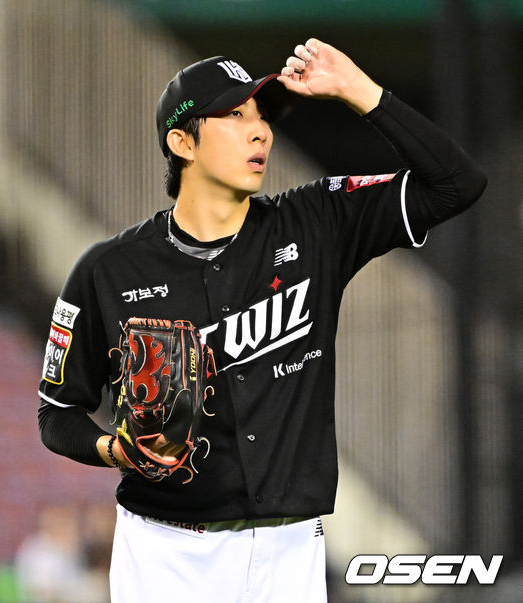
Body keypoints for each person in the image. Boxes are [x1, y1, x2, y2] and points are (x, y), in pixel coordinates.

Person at [38, 38, 487, 602]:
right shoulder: (107, 271)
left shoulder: (316, 222)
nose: (260, 132)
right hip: (165, 554)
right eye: (234, 116)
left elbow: (457, 183)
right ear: (182, 142)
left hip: (290, 550)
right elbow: (56, 415)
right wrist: (115, 450)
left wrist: (358, 90)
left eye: (262, 116)